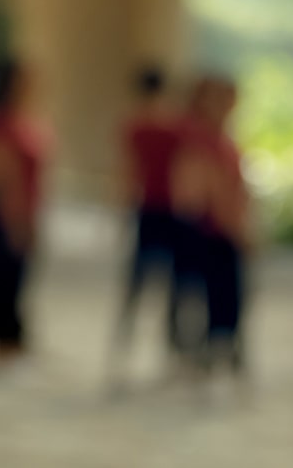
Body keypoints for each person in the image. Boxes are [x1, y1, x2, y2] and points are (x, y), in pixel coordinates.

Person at [0, 58, 48, 364]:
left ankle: (16, 337)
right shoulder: (0, 123)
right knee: (5, 276)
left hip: (29, 207)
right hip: (9, 210)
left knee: (20, 276)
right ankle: (4, 342)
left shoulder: (26, 118)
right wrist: (17, 219)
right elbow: (7, 175)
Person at [172, 75, 250, 380]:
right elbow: (199, 192)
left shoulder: (222, 140)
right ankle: (204, 350)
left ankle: (217, 348)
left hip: (220, 229)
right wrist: (233, 226)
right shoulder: (199, 140)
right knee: (208, 295)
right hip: (210, 232)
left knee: (226, 296)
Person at [110, 66, 186, 379]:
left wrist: (121, 211)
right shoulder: (175, 125)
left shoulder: (134, 125)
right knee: (173, 284)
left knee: (137, 284)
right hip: (171, 211)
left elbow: (128, 171)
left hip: (148, 210)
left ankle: (124, 347)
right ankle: (174, 350)